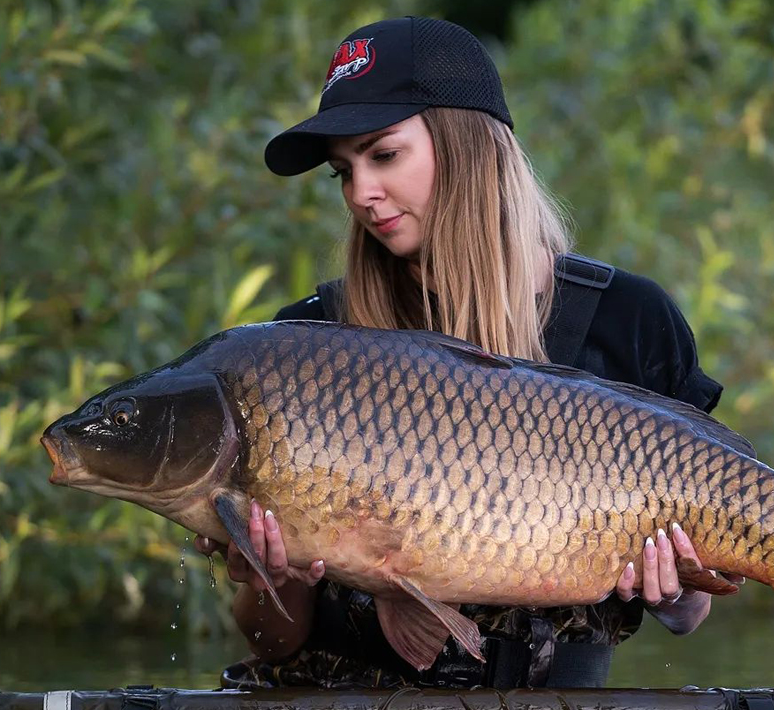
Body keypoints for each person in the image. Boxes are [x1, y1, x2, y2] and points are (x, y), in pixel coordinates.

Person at [194, 16, 744, 690]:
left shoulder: (628, 320)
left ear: (466, 146)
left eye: (383, 154)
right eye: (344, 171)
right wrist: (274, 578)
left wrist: (673, 589)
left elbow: (691, 618)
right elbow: (270, 640)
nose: (361, 193)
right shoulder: (310, 347)